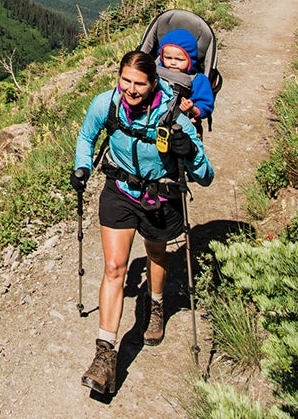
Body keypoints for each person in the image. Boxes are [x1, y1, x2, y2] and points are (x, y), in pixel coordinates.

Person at [70, 49, 213, 395]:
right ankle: (105, 355)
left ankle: (157, 302)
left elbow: (205, 175)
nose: (130, 90)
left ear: (154, 84)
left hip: (159, 196)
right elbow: (87, 137)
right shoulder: (107, 103)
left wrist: (189, 152)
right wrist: (82, 166)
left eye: (139, 84)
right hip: (119, 190)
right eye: (125, 81)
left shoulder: (174, 115)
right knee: (115, 267)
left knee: (156, 255)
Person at [156, 28, 215, 129]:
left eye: (179, 59)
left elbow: (206, 104)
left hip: (181, 123)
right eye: (168, 58)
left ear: (190, 59)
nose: (173, 62)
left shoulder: (196, 80)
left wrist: (193, 109)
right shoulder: (156, 71)